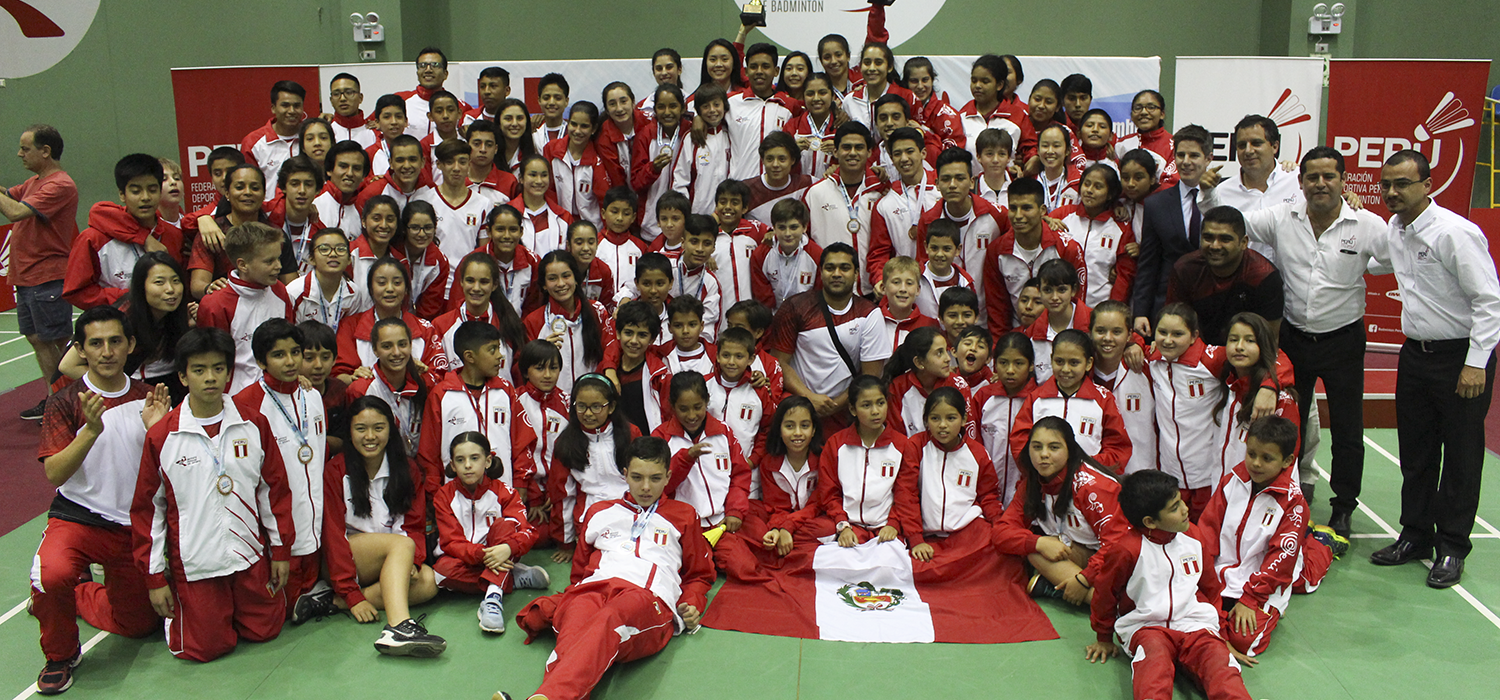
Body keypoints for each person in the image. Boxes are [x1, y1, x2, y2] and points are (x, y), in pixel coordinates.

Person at [1206, 147, 1387, 538]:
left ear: (1344, 181)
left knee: (1348, 430)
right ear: (1300, 182)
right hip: (1294, 340)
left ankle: (1343, 507)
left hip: (1343, 340)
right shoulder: (1281, 217)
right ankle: (1285, 498)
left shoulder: (1367, 224)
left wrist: (1368, 266)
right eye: (1312, 177)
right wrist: (1206, 192)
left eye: (1329, 176)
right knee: (1288, 425)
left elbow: (1392, 258)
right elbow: (1232, 223)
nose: (1320, 184)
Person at [1368, 150, 1500, 589]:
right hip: (1415, 356)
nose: (1391, 192)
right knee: (1416, 452)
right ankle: (1415, 535)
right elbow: (1375, 261)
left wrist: (1476, 364)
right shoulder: (1395, 228)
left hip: (1460, 358)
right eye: (1386, 184)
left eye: (1402, 184)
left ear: (1427, 185)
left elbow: (1489, 301)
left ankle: (1453, 547)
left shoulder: (1454, 233)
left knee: (1461, 456)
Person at [131, 328, 295, 662]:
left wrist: (280, 552)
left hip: (249, 555)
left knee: (266, 631)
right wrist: (154, 579)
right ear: (182, 376)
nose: (210, 378)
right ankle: (89, 596)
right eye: (199, 369)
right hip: (197, 562)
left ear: (229, 372)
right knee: (206, 649)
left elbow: (274, 491)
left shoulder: (254, 424)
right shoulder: (162, 436)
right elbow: (148, 512)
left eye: (218, 368)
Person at [506, 436, 715, 700]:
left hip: (646, 598)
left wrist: (692, 602)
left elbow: (700, 575)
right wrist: (570, 599)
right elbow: (579, 574)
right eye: (637, 477)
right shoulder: (599, 512)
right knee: (573, 631)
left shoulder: (684, 515)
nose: (646, 487)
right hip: (591, 590)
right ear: (625, 474)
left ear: (668, 477)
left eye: (655, 478)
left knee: (608, 620)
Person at [32, 307, 164, 693]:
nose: (107, 352)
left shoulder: (150, 398)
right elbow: (55, 473)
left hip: (132, 527)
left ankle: (77, 595)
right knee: (50, 574)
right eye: (96, 343)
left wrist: (159, 432)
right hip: (79, 517)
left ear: (130, 345)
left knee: (139, 626)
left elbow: (169, 468)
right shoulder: (64, 401)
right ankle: (60, 655)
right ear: (81, 349)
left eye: (115, 341)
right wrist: (90, 431)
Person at [1084, 470, 1252, 700]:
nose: (1184, 509)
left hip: (1195, 624)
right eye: (1174, 508)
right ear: (1150, 522)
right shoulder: (1126, 550)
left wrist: (1221, 634)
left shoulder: (1194, 537)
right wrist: (1103, 637)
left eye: (1180, 500)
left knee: (1220, 665)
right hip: (1146, 628)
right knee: (1153, 667)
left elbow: (1211, 589)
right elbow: (1105, 594)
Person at [310, 396, 445, 656]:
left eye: (378, 428)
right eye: (361, 429)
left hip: (392, 556)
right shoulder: (336, 470)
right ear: (350, 431)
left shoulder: (406, 469)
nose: (370, 436)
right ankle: (398, 627)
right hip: (347, 560)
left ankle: (332, 602)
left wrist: (414, 561)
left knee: (429, 581)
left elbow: (414, 525)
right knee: (402, 546)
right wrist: (351, 593)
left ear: (390, 430)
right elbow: (333, 537)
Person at [1198, 415, 1334, 658]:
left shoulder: (1294, 504)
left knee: (1244, 641)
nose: (1256, 463)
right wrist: (1203, 579)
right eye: (1251, 454)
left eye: (1267, 458)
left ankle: (1320, 545)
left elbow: (1280, 561)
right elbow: (1207, 532)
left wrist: (1251, 599)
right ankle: (1303, 540)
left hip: (1265, 581)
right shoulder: (1231, 482)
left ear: (1287, 461)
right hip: (1224, 574)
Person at [234, 319, 329, 612]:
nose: (290, 362)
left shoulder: (312, 396)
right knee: (281, 609)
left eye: (295, 352)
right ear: (261, 361)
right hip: (276, 530)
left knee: (307, 590)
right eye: (279, 355)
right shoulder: (246, 405)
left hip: (314, 520)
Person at [993, 416, 1126, 605]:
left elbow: (1118, 545)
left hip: (1120, 559)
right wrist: (1039, 542)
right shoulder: (1032, 483)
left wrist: (1084, 579)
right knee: (1037, 550)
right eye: (1036, 447)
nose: (1043, 454)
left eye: (1054, 447)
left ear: (1070, 450)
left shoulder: (1092, 487)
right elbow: (1001, 532)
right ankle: (1102, 601)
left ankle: (1098, 601)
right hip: (1086, 552)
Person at [766, 243, 893, 431]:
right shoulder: (796, 307)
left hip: (845, 414)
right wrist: (809, 398)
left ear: (856, 273)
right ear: (821, 272)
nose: (836, 274)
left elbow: (870, 376)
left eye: (844, 268)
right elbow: (778, 363)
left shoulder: (870, 314)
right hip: (800, 410)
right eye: (830, 268)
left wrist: (834, 405)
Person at [432, 431, 548, 634]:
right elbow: (450, 542)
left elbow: (528, 532)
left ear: (487, 461)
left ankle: (493, 599)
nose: (468, 465)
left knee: (504, 525)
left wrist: (508, 547)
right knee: (440, 572)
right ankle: (512, 578)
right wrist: (483, 555)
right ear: (453, 465)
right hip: (467, 558)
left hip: (503, 552)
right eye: (460, 460)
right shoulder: (444, 496)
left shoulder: (505, 492)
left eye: (474, 458)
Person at [4, 124, 79, 420]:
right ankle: (55, 398)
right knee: (37, 339)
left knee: (57, 340)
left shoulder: (59, 185)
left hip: (47, 276)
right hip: (26, 277)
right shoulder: (34, 182)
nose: (19, 154)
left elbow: (15, 211)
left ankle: (69, 400)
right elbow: (9, 196)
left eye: (25, 149)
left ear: (45, 151)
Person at [418, 320, 537, 498]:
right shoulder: (441, 395)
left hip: (502, 496)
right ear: (470, 356)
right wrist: (435, 493)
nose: (500, 356)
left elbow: (522, 441)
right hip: (454, 499)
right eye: (492, 350)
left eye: (499, 348)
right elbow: (429, 452)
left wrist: (521, 482)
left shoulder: (506, 391)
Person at [64, 154, 183, 309]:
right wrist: (132, 297)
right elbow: (76, 291)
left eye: (152, 190)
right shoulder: (94, 239)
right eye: (136, 191)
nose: (145, 197)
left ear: (160, 191)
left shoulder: (174, 235)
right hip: (118, 320)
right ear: (122, 194)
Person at [816, 375, 920, 547]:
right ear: (852, 409)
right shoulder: (836, 444)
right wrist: (842, 524)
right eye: (866, 405)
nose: (875, 411)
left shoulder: (903, 445)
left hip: (885, 527)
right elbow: (828, 493)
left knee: (891, 558)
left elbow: (905, 493)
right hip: (846, 525)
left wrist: (893, 524)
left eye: (880, 403)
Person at [904, 387, 1003, 565]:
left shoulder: (977, 453)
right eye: (935, 418)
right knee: (914, 566)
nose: (943, 425)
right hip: (926, 534)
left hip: (968, 530)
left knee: (999, 556)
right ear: (926, 420)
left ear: (964, 419)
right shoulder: (916, 446)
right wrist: (915, 538)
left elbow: (988, 495)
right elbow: (906, 494)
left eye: (951, 418)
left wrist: (998, 523)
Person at [1010, 330, 1132, 473]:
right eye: (1059, 361)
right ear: (1051, 359)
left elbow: (1117, 448)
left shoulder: (1103, 399)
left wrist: (1085, 467)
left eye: (1074, 363)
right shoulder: (1037, 398)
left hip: (1089, 480)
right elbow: (1020, 443)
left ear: (1088, 363)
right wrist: (1040, 469)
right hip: (1042, 480)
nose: (1066, 369)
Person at [1132, 125, 1213, 336]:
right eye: (1180, 155)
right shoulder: (1156, 204)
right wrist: (1140, 312)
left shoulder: (1225, 197)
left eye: (1194, 155)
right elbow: (1148, 263)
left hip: (1213, 304)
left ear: (1208, 158)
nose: (1186, 161)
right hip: (1167, 302)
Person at [196, 221, 294, 393]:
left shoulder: (279, 290)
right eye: (269, 261)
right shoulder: (215, 304)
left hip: (280, 390)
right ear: (242, 265)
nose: (279, 266)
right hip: (236, 396)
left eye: (278, 258)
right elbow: (211, 361)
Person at [548, 374, 637, 562]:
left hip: (632, 509)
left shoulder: (631, 433)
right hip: (591, 515)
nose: (588, 414)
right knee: (603, 558)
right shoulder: (566, 443)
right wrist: (566, 543)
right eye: (581, 406)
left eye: (596, 407)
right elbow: (562, 495)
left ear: (611, 407)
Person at [1165, 206, 1283, 346]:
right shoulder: (1185, 269)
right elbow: (1173, 323)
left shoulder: (1263, 276)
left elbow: (1269, 340)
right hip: (1195, 350)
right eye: (1208, 238)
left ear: (1243, 243)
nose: (1215, 246)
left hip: (1245, 352)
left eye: (1225, 239)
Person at [982, 177, 1086, 335]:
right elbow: (997, 309)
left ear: (1042, 210)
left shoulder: (1067, 248)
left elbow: (1077, 302)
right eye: (1013, 208)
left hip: (1060, 336)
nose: (1018, 215)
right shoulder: (997, 250)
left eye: (1026, 208)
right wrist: (1001, 345)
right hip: (1017, 338)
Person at [917, 148, 1013, 315]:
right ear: (937, 184)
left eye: (960, 178)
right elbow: (924, 268)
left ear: (972, 181)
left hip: (988, 315)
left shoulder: (996, 215)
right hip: (947, 317)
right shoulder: (928, 220)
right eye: (946, 179)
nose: (952, 185)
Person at [1199, 115, 1302, 265]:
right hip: (1244, 277)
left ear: (1275, 147)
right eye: (1241, 145)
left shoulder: (1298, 182)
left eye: (1256, 143)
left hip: (1292, 277)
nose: (1248, 151)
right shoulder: (1221, 192)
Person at [333, 257, 449, 386]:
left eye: (397, 283)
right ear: (371, 289)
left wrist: (419, 375)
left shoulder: (425, 330)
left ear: (406, 288)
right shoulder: (350, 326)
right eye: (382, 283)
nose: (390, 289)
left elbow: (439, 378)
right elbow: (337, 377)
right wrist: (353, 378)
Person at [804, 122, 884, 295]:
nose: (852, 153)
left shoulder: (881, 192)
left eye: (859, 147)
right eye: (846, 147)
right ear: (835, 151)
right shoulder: (815, 193)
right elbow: (804, 241)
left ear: (869, 152)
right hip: (829, 290)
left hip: (873, 289)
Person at [523, 250, 612, 392]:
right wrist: (541, 352)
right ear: (544, 285)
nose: (561, 284)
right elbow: (524, 368)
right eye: (552, 278)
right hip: (551, 400)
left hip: (591, 398)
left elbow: (610, 349)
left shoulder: (597, 311)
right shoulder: (533, 321)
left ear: (576, 278)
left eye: (566, 276)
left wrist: (609, 371)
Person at [757, 396, 835, 557]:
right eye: (789, 426)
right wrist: (775, 529)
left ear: (814, 430)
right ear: (779, 430)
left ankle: (788, 546)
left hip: (814, 519)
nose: (797, 433)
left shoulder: (824, 458)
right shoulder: (769, 464)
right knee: (759, 531)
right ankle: (790, 546)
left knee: (828, 528)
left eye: (804, 426)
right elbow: (776, 508)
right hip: (785, 520)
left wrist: (787, 528)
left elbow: (818, 505)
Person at [1052, 164, 1135, 307]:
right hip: (1060, 306)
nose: (1089, 190)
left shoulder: (1121, 228)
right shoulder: (1062, 215)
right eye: (1086, 184)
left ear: (1110, 194)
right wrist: (1046, 221)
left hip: (1100, 307)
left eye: (1098, 187)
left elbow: (1124, 277)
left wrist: (1112, 309)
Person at [1089, 300, 1156, 477]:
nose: (1108, 338)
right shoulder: (1080, 371)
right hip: (1095, 476)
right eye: (1100, 331)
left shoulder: (1147, 367)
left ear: (1129, 335)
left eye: (1117, 332)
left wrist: (1140, 344)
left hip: (1142, 473)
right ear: (1090, 332)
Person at [970, 331, 1037, 505]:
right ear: (994, 364)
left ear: (1031, 366)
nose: (1010, 370)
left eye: (1018, 363)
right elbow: (973, 445)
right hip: (985, 490)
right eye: (1003, 363)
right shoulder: (983, 397)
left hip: (1026, 492)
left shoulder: (1038, 400)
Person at [434, 251, 526, 376]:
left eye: (484, 282)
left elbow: (519, 377)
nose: (476, 288)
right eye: (470, 280)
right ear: (461, 282)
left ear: (494, 285)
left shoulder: (509, 324)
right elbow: (438, 376)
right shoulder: (441, 326)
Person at [868, 128, 941, 282]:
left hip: (946, 281)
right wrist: (880, 280)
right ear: (891, 158)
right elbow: (879, 254)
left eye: (909, 151)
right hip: (906, 285)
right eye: (897, 154)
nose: (904, 158)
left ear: (923, 153)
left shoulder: (944, 188)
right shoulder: (884, 204)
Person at [543, 101, 621, 229]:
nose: (577, 131)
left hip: (592, 228)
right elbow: (548, 191)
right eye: (573, 124)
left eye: (584, 126)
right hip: (559, 224)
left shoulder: (598, 158)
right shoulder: (552, 150)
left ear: (593, 129)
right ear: (567, 123)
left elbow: (604, 199)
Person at [725, 42, 796, 181]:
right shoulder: (730, 103)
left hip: (777, 187)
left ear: (776, 71)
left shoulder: (789, 105)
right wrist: (698, 119)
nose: (759, 71)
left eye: (765, 66)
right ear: (746, 71)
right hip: (740, 185)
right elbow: (706, 114)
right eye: (753, 67)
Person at [883, 326, 971, 436]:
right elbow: (895, 436)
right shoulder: (897, 388)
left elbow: (968, 435)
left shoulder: (959, 385)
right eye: (939, 353)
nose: (948, 359)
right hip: (910, 447)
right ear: (919, 362)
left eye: (946, 351)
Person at [630, 84, 687, 242]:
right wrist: (652, 168)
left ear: (683, 108)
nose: (667, 112)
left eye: (673, 106)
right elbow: (636, 182)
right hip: (651, 223)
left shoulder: (690, 133)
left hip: (685, 222)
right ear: (654, 110)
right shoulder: (646, 135)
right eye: (661, 107)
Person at [1021, 259, 1091, 383]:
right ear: (1039, 290)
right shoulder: (1031, 333)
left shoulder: (1093, 323)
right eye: (1047, 290)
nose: (1054, 297)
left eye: (1061, 290)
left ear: (1073, 290)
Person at [671, 85, 731, 216]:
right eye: (705, 106)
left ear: (725, 106)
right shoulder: (691, 139)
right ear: (698, 110)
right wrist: (686, 214)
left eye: (716, 104)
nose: (712, 110)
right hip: (697, 215)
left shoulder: (731, 134)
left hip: (727, 215)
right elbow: (680, 181)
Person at [958, 55, 1025, 174]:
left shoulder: (1018, 116)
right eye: (974, 80)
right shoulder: (961, 116)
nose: (977, 86)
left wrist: (1029, 162)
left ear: (999, 85)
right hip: (970, 184)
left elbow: (1031, 150)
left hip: (1006, 184)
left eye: (985, 81)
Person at [751, 198, 821, 311]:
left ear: (804, 227)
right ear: (773, 227)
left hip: (807, 316)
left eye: (793, 227)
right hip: (772, 316)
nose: (788, 233)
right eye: (782, 227)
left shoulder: (817, 255)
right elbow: (763, 297)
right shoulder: (761, 254)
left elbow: (818, 294)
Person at [242, 81, 306, 200]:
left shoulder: (311, 137)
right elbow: (248, 186)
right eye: (285, 105)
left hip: (309, 209)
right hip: (267, 210)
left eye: (297, 106)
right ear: (273, 108)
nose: (291, 111)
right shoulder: (253, 142)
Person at [287, 228, 358, 331]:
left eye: (341, 249)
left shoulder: (354, 294)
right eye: (324, 249)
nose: (333, 254)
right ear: (311, 259)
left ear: (349, 259)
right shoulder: (294, 293)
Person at [743, 131, 812, 225]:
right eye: (770, 159)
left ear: (792, 160)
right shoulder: (746, 189)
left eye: (782, 159)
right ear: (762, 160)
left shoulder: (808, 184)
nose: (775, 164)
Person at [400, 47, 465, 138]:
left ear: (445, 74)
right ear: (417, 72)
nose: (428, 70)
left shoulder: (461, 106)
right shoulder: (400, 101)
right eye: (422, 65)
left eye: (435, 65)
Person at [314, 141, 370, 238]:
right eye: (343, 167)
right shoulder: (313, 202)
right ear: (329, 170)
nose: (350, 173)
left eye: (356, 168)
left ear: (363, 176)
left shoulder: (364, 210)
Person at [662, 294, 714, 376]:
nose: (685, 331)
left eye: (692, 325)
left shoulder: (716, 356)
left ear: (701, 326)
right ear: (670, 327)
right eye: (678, 326)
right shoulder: (660, 355)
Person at [327, 73, 376, 148]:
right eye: (336, 94)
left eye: (349, 93)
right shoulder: (325, 132)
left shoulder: (376, 132)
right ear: (331, 100)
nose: (342, 98)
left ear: (360, 98)